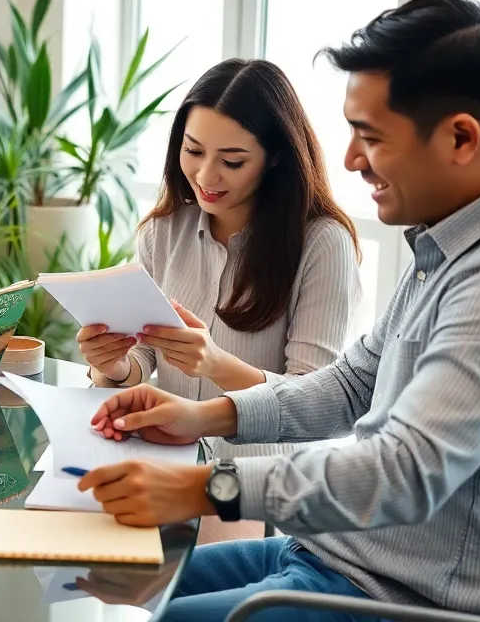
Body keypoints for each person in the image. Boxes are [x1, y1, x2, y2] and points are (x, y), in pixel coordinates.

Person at [74, 0, 480, 620]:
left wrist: (204, 487)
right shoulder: (451, 246)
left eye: (370, 137)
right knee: (125, 584)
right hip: (332, 554)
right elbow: (349, 385)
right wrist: (202, 418)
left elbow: (405, 472)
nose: (349, 160)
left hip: (403, 595)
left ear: (460, 137)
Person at [76, 60, 360, 464]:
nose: (206, 176)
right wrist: (114, 365)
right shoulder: (164, 231)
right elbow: (142, 358)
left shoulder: (323, 243)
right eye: (193, 151)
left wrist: (215, 364)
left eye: (232, 161)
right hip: (168, 462)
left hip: (260, 482)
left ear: (276, 157)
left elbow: (313, 401)